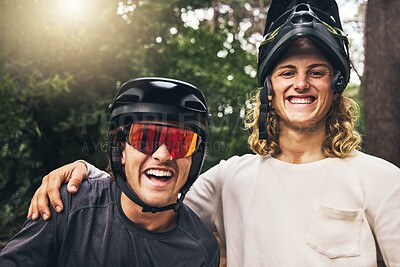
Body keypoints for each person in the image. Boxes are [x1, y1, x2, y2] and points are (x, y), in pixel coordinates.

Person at [23, 0, 400, 266]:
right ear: (269, 86)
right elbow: (152, 200)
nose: (301, 83)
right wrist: (88, 176)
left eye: (316, 72)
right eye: (287, 72)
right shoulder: (230, 178)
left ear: (335, 85)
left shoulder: (380, 180)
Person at [0, 77, 220, 266]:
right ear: (121, 151)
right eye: (145, 138)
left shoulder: (201, 251)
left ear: (194, 158)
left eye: (180, 143)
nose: (163, 155)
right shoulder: (68, 204)